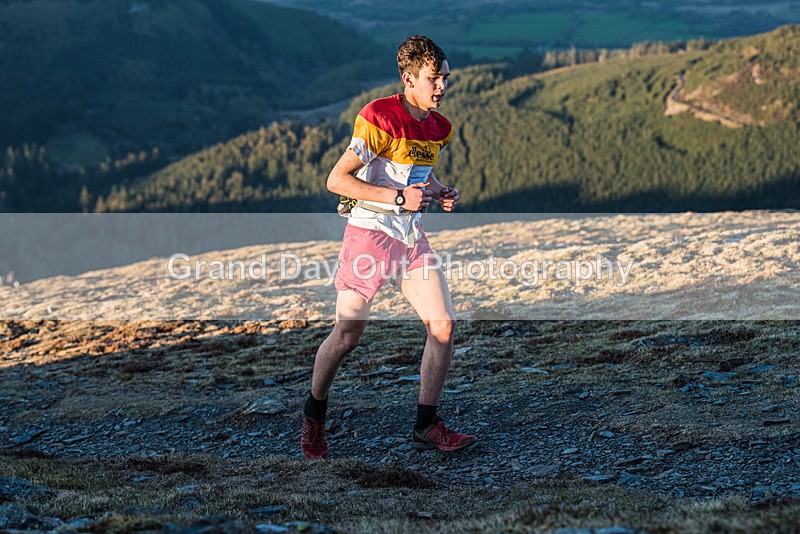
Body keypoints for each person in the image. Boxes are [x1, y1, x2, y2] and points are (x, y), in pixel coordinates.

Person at [300, 35, 476, 459]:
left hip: (410, 239)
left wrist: (438, 189)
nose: (442, 86)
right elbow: (337, 180)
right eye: (434, 78)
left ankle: (426, 425)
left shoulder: (439, 127)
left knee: (443, 326)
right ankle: (313, 415)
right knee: (348, 336)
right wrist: (398, 198)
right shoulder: (379, 116)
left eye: (445, 77)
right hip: (369, 237)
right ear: (408, 79)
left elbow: (417, 173)